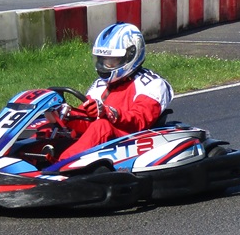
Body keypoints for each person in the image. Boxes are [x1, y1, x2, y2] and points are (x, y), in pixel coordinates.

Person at [58, 23, 174, 159]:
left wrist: (109, 113)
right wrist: (66, 115)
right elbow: (86, 118)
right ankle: (31, 164)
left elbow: (139, 120)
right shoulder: (100, 84)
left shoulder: (152, 83)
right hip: (105, 141)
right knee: (54, 125)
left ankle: (59, 169)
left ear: (130, 55)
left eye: (111, 60)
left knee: (101, 126)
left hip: (130, 141)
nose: (104, 65)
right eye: (102, 60)